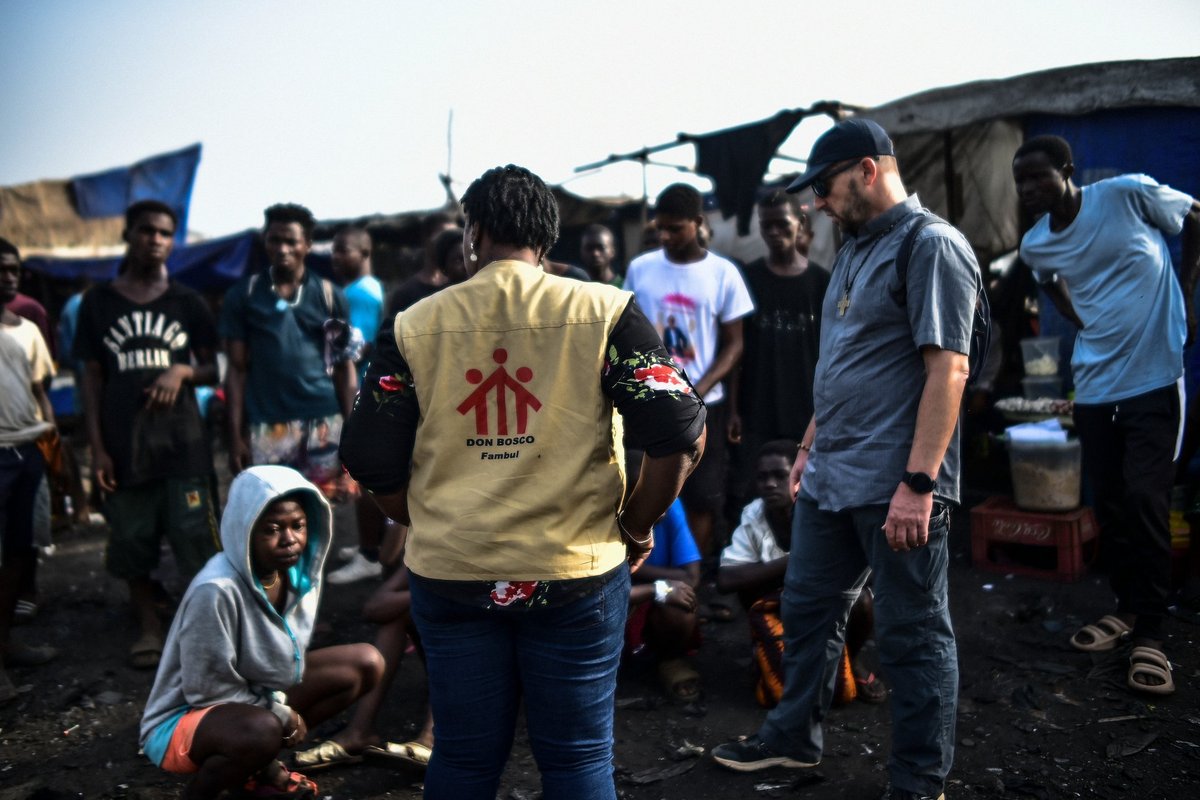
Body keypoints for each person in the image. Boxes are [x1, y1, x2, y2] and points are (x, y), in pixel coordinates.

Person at [340, 164, 706, 800]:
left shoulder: (415, 325)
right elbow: (681, 434)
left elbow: (368, 456)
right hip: (578, 572)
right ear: (549, 239)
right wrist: (638, 525)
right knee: (578, 763)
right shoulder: (603, 311)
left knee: (461, 759)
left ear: (472, 234)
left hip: (453, 573)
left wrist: (422, 518)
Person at [711, 118, 979, 800]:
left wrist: (919, 484)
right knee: (805, 609)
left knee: (913, 635)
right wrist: (806, 448)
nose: (818, 205)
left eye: (825, 189)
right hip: (833, 475)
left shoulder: (932, 247)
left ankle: (920, 781)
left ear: (867, 169)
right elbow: (840, 367)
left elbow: (948, 370)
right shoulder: (856, 250)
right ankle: (792, 738)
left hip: (897, 483)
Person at [1013, 135, 1200, 696]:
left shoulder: (1124, 195)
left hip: (1155, 376)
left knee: (1147, 497)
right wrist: (1081, 321)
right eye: (1019, 181)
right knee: (1111, 502)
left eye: (1037, 177)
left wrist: (1186, 293)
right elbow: (1050, 284)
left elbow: (1195, 216)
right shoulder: (1035, 245)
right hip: (1095, 383)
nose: (1027, 189)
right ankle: (1125, 607)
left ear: (1068, 172)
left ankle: (1151, 631)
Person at [139, 465, 383, 800]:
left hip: (254, 700)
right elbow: (206, 689)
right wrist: (280, 712)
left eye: (297, 526)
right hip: (184, 721)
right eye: (272, 529)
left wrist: (276, 707)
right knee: (263, 730)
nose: (289, 539)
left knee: (365, 663)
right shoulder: (216, 589)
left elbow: (282, 663)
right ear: (245, 530)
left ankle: (253, 771)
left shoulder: (298, 576)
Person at [74, 201, 221, 670]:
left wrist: (181, 371)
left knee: (196, 538)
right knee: (132, 540)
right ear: (128, 234)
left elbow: (213, 368)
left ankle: (205, 628)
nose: (155, 240)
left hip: (183, 446)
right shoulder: (98, 302)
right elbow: (91, 378)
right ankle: (149, 627)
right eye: (146, 231)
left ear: (172, 241)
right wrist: (97, 449)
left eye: (164, 233)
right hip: (125, 445)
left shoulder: (188, 302)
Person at [624, 183, 754, 557]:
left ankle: (690, 582)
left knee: (701, 495)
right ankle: (645, 576)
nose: (665, 236)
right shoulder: (641, 268)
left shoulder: (723, 273)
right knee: (641, 488)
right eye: (660, 228)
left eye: (675, 228)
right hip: (646, 403)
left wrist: (700, 386)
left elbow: (735, 343)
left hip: (701, 405)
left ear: (698, 223)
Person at [717, 440, 884, 708]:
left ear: (799, 476)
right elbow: (726, 579)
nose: (770, 484)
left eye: (779, 476)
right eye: (762, 478)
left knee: (864, 601)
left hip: (828, 602)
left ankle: (852, 659)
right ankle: (763, 651)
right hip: (780, 602)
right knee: (747, 585)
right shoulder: (755, 515)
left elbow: (866, 570)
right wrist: (794, 563)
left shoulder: (827, 510)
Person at [220, 203, 357, 501]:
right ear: (264, 241)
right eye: (275, 240)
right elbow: (236, 369)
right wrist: (235, 436)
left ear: (306, 245)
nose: (282, 249)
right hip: (269, 426)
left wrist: (351, 428)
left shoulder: (330, 295)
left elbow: (345, 366)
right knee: (275, 509)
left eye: (291, 241)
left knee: (324, 511)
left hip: (325, 423)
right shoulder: (243, 295)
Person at [727, 192, 829, 511]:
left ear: (800, 224)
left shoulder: (821, 282)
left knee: (809, 490)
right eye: (766, 225)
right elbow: (736, 349)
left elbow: (832, 354)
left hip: (807, 409)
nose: (774, 232)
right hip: (758, 407)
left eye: (781, 224)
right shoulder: (749, 279)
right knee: (758, 493)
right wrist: (733, 409)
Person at [0, 238, 57, 703]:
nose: (9, 276)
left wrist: (55, 449)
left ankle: (5, 644)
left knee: (22, 550)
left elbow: (41, 394)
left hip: (29, 450)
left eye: (14, 269)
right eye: (1, 269)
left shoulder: (27, 330)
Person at [625, 498, 702, 703]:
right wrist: (657, 587)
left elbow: (691, 577)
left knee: (681, 602)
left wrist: (631, 568)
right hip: (603, 604)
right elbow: (593, 591)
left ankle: (670, 659)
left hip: (642, 598)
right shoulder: (602, 512)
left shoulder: (669, 505)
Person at [387, 211, 460, 316]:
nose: (450, 244)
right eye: (444, 237)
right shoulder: (405, 294)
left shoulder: (461, 285)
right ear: (426, 239)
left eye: (454, 239)